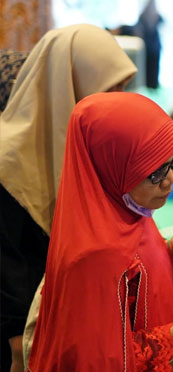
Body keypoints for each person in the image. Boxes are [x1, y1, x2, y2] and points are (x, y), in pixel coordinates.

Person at [26, 92, 173, 370]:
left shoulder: (124, 210)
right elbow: (101, 363)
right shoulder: (93, 258)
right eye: (155, 173)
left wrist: (167, 251)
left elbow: (131, 258)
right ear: (112, 168)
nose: (170, 180)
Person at [0, 24, 137, 372]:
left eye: (124, 87)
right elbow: (7, 266)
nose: (118, 99)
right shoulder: (7, 161)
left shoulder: (96, 142)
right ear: (69, 84)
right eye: (110, 87)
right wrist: (19, 346)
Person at [135, 0, 164, 89]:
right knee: (153, 70)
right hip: (153, 48)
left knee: (148, 70)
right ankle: (152, 85)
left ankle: (150, 85)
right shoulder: (156, 16)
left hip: (148, 48)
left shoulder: (144, 15)